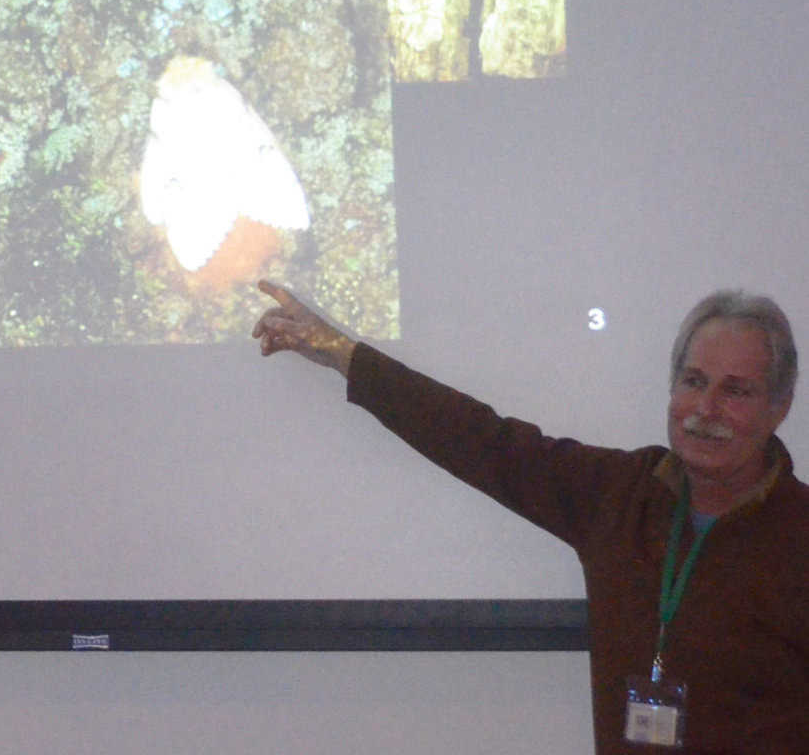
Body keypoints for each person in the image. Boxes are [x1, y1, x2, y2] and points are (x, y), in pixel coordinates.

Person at [252, 281, 809, 754]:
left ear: (779, 407)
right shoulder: (618, 496)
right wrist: (340, 352)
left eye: (736, 392)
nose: (705, 410)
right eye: (694, 382)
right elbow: (483, 441)